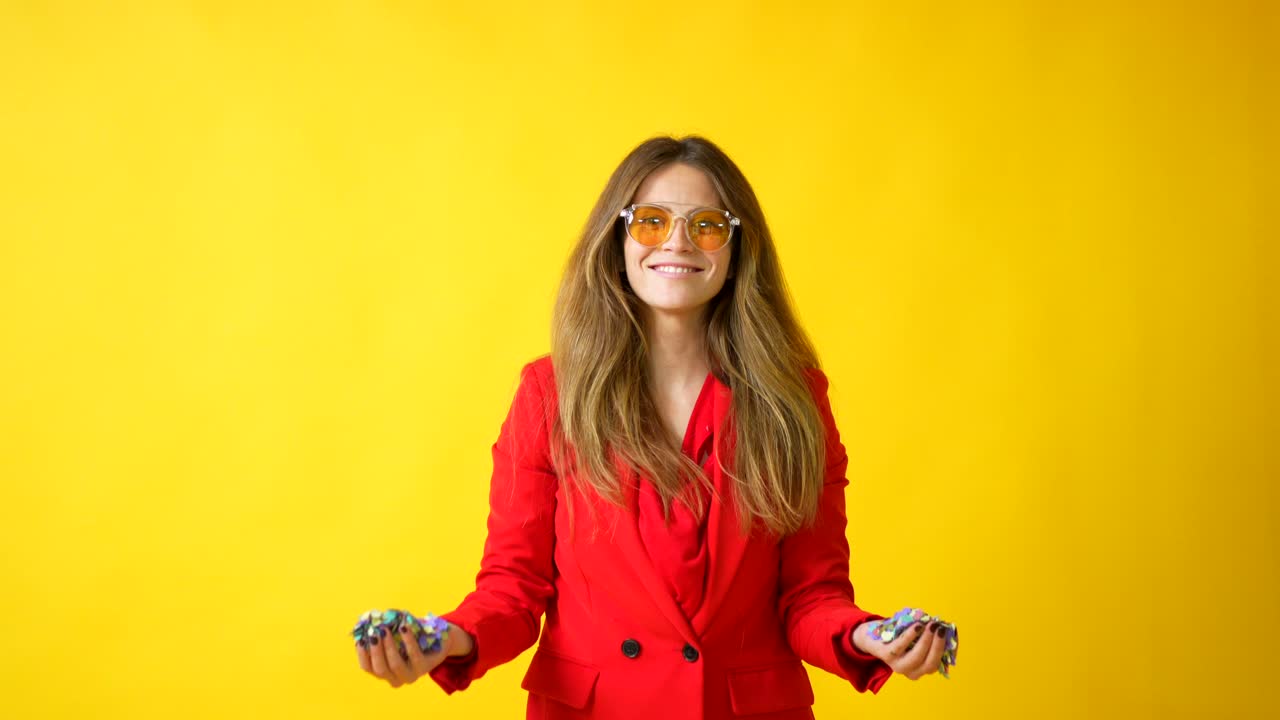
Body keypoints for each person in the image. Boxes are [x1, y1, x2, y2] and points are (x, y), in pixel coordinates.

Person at [355, 135, 950, 718]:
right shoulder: (549, 395)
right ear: (616, 238)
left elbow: (810, 596)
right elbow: (513, 588)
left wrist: (868, 637)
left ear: (738, 248)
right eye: (651, 221)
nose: (678, 242)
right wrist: (443, 639)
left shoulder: (793, 398)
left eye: (708, 225)